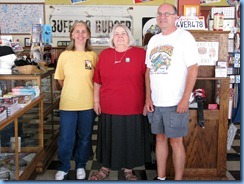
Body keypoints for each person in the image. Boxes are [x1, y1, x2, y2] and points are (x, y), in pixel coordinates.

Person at [89, 24, 151, 181]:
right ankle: (105, 168)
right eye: (116, 34)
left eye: (123, 33)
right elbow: (97, 80)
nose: (120, 36)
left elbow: (148, 79)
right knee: (109, 138)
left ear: (129, 36)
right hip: (109, 105)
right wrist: (96, 101)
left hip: (134, 105)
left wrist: (147, 100)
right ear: (112, 38)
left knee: (130, 139)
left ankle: (129, 170)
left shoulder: (140, 54)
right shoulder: (105, 54)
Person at [145, 3, 199, 180]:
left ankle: (178, 180)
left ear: (176, 17)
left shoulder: (185, 37)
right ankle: (161, 177)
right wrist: (148, 98)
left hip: (176, 102)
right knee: (159, 139)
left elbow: (193, 69)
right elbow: (148, 71)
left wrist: (185, 99)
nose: (162, 17)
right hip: (156, 101)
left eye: (167, 13)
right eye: (159, 13)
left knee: (176, 142)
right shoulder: (153, 40)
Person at [54, 21, 98, 180]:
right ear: (72, 35)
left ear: (88, 35)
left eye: (84, 31)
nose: (80, 34)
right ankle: (64, 166)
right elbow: (60, 79)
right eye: (77, 31)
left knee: (85, 137)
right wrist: (73, 91)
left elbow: (97, 81)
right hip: (68, 104)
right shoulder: (64, 56)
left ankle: (81, 165)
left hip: (88, 104)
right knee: (66, 137)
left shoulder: (93, 56)